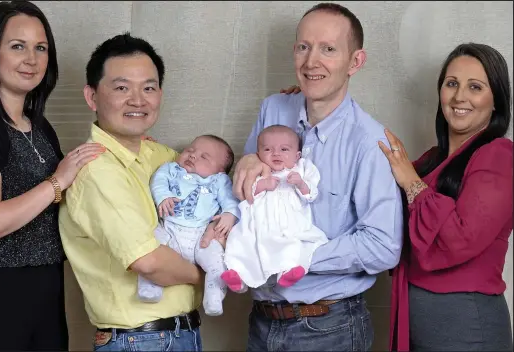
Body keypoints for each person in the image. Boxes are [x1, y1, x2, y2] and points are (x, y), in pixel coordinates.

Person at [225, 3, 404, 351]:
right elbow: (247, 195)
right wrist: (243, 163)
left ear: (355, 62)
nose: (311, 62)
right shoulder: (273, 109)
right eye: (303, 47)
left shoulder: (370, 142)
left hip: (330, 327)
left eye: (329, 49)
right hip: (262, 320)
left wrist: (294, 257)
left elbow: (383, 246)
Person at [0, 1, 104, 350]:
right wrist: (56, 182)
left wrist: (130, 152)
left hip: (44, 288)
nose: (31, 58)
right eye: (18, 46)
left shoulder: (39, 127)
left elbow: (67, 192)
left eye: (40, 47)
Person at [58, 33, 205, 352]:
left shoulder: (160, 156)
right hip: (139, 340)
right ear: (92, 96)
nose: (138, 100)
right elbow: (149, 262)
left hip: (178, 333)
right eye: (122, 87)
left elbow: (213, 187)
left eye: (148, 88)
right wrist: (211, 274)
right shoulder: (95, 169)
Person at [383, 43, 513, 351]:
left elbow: (461, 238)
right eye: (451, 83)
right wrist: (307, 115)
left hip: (466, 323)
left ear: (496, 100)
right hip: (423, 323)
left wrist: (412, 184)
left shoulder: (499, 155)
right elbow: (373, 196)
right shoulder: (432, 160)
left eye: (475, 87)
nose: (459, 97)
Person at [138, 134, 240, 316]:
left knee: (216, 261)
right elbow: (158, 181)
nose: (193, 155)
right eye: (190, 150)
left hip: (201, 236)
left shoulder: (219, 181)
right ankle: (150, 287)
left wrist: (229, 215)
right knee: (151, 246)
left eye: (204, 157)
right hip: (169, 228)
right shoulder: (172, 169)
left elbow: (230, 200)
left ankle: (214, 296)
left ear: (219, 170)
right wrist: (163, 197)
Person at [222, 125, 328, 292]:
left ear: (297, 155)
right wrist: (262, 185)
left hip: (288, 222)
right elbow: (244, 193)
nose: (276, 153)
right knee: (241, 242)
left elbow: (311, 194)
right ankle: (237, 277)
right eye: (268, 149)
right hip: (258, 222)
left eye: (284, 149)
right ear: (258, 154)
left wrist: (300, 183)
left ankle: (288, 271)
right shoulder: (258, 172)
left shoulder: (301, 169)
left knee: (291, 244)